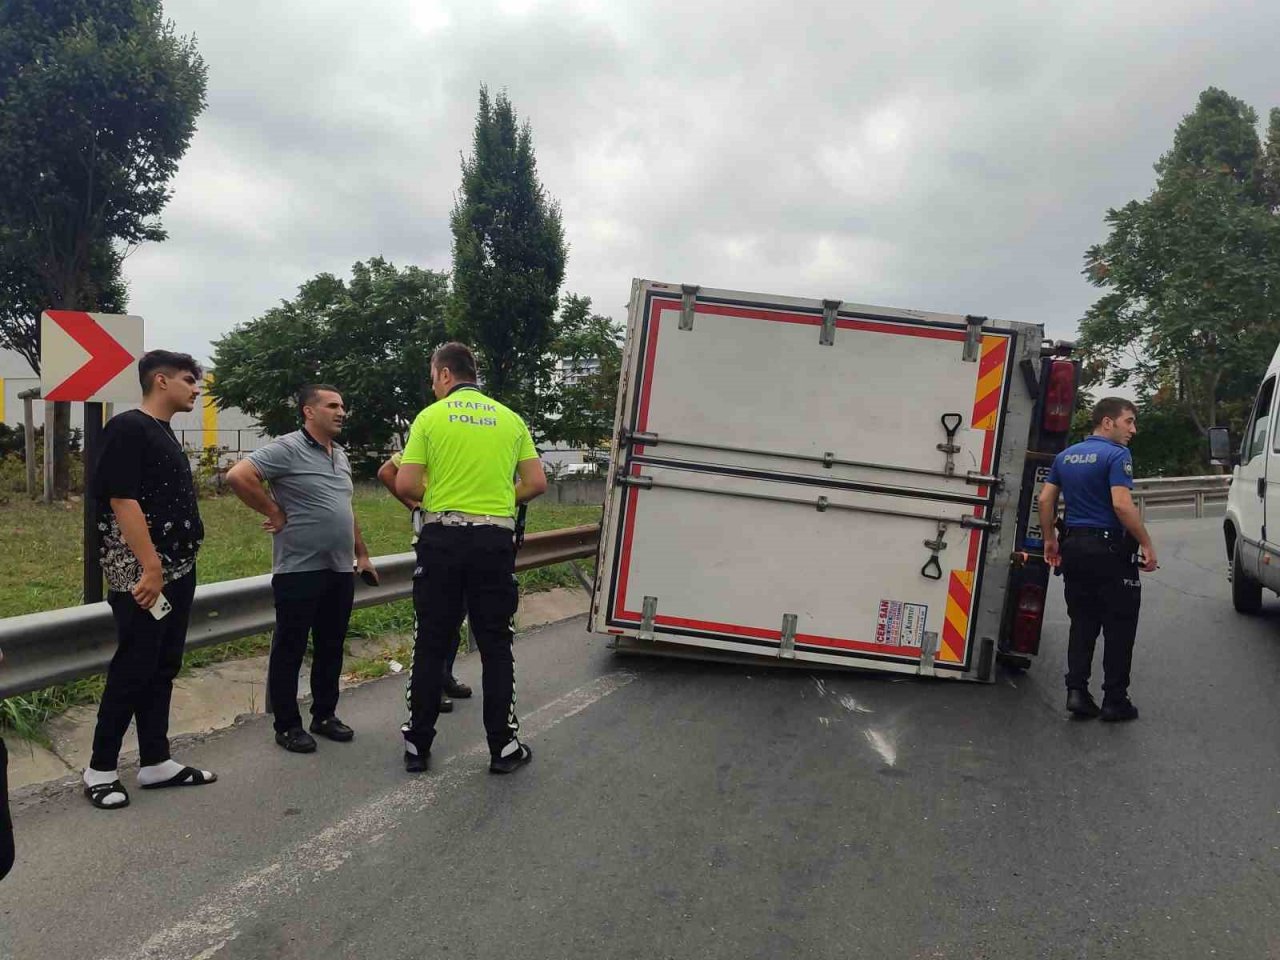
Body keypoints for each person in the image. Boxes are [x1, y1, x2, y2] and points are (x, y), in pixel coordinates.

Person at [395, 342, 547, 774]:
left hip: (442, 538)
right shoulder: (510, 418)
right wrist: (497, 501)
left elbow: (406, 483)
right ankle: (503, 747)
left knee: (430, 643)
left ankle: (417, 746)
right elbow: (536, 483)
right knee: (496, 646)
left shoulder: (430, 417)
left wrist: (445, 500)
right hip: (494, 542)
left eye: (432, 376)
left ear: (444, 374)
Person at [82, 351, 217, 810]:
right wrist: (151, 568)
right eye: (188, 380)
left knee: (163, 664)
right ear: (160, 381)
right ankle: (100, 768)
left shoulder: (162, 432)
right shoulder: (128, 427)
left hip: (176, 569)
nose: (196, 388)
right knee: (133, 667)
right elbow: (123, 501)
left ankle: (156, 761)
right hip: (144, 573)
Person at [225, 385, 377, 753]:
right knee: (290, 649)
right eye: (332, 406)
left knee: (331, 646)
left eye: (343, 405)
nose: (341, 412)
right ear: (309, 412)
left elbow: (346, 508)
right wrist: (273, 511)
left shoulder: (339, 455)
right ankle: (287, 725)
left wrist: (363, 554)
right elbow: (238, 476)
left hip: (339, 569)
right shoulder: (287, 447)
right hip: (299, 568)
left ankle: (324, 715)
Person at [1039, 397, 1157, 723]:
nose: (1133, 429)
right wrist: (1146, 543)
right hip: (1110, 551)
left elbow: (1045, 498)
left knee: (1083, 622)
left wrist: (1050, 539)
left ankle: (1076, 692)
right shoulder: (1117, 455)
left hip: (1073, 549)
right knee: (1119, 625)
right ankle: (1114, 701)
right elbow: (1121, 504)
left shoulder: (1065, 456)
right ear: (1108, 422)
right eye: (1128, 421)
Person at [377, 453, 472, 714]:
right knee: (437, 618)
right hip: (437, 539)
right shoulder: (429, 438)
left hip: (468, 539)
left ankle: (445, 676)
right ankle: (431, 687)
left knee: (457, 614)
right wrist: (416, 506)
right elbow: (386, 472)